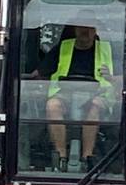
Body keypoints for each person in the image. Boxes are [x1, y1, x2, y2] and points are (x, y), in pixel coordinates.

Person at [43, 23, 115, 170]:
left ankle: (86, 159)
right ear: (74, 30)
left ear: (95, 30)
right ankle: (61, 158)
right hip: (65, 95)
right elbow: (39, 72)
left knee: (94, 106)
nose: (85, 31)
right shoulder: (62, 48)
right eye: (82, 27)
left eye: (89, 27)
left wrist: (111, 78)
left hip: (98, 94)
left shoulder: (108, 50)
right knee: (52, 106)